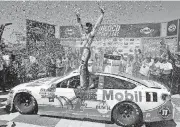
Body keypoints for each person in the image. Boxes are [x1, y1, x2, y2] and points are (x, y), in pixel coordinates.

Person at [75, 3, 105, 89]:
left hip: (87, 51)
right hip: (84, 51)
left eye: (88, 28)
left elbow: (97, 25)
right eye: (86, 28)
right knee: (83, 68)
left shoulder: (91, 34)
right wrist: (77, 16)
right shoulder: (83, 34)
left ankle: (84, 85)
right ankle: (89, 83)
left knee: (83, 67)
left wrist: (102, 15)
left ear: (91, 28)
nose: (86, 29)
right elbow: (79, 25)